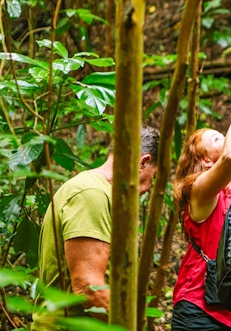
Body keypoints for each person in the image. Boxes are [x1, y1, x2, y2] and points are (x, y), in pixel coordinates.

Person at [33, 125, 160, 329]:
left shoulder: (98, 192)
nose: (149, 188)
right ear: (143, 162)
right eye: (152, 178)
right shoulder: (91, 194)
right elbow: (89, 289)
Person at [171, 71, 231, 331]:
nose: (225, 137)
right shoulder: (200, 192)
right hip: (200, 312)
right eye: (215, 138)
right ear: (207, 161)